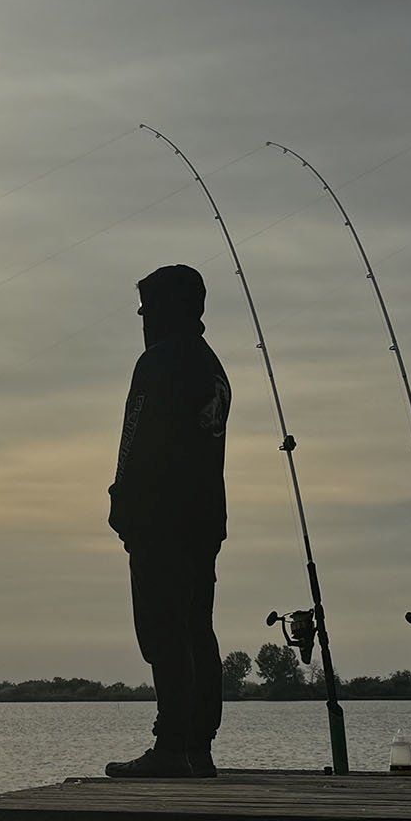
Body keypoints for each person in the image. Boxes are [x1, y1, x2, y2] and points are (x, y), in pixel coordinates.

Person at [105, 264, 231, 778]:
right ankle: (198, 747)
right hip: (205, 520)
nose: (144, 319)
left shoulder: (157, 362)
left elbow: (136, 438)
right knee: (197, 626)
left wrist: (121, 501)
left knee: (162, 628)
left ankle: (170, 746)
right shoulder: (212, 367)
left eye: (150, 308)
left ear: (177, 309)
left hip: (161, 518)